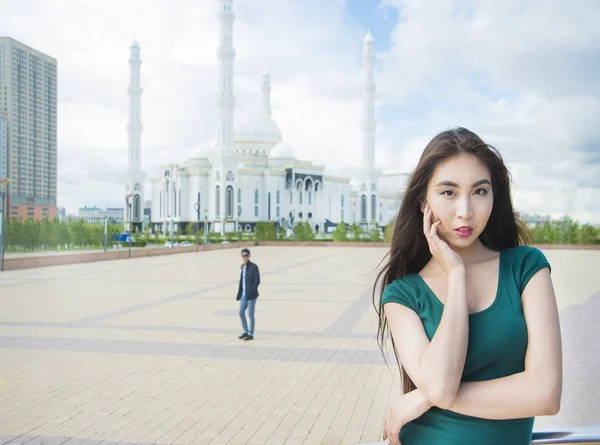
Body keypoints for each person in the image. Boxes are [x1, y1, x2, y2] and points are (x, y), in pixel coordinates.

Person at [373, 127, 562, 445]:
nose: (466, 211)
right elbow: (440, 386)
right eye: (448, 192)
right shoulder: (403, 295)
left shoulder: (525, 268)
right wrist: (456, 275)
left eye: (479, 191)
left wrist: (425, 398)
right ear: (424, 201)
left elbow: (545, 394)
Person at [237, 248, 260, 341]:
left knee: (250, 314)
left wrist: (252, 290)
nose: (245, 257)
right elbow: (241, 281)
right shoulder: (242, 267)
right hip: (243, 295)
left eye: (246, 255)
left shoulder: (254, 267)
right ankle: (245, 330)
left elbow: (257, 280)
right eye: (243, 255)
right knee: (241, 312)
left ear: (249, 256)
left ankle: (251, 333)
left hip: (251, 295)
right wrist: (239, 293)